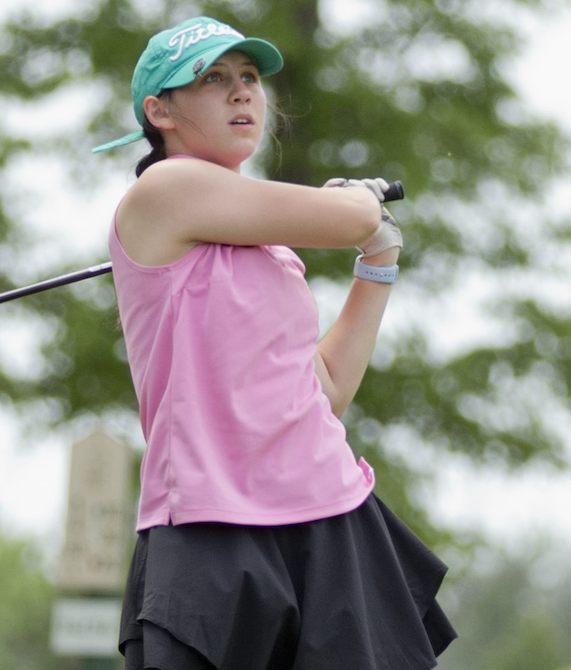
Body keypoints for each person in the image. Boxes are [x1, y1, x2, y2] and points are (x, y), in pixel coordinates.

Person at [92, 16, 457, 670]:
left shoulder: (270, 253)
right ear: (159, 111)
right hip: (212, 528)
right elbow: (349, 218)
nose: (241, 94)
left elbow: (326, 390)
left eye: (250, 79)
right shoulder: (163, 190)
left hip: (329, 515)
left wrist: (378, 265)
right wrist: (358, 203)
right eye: (212, 80)